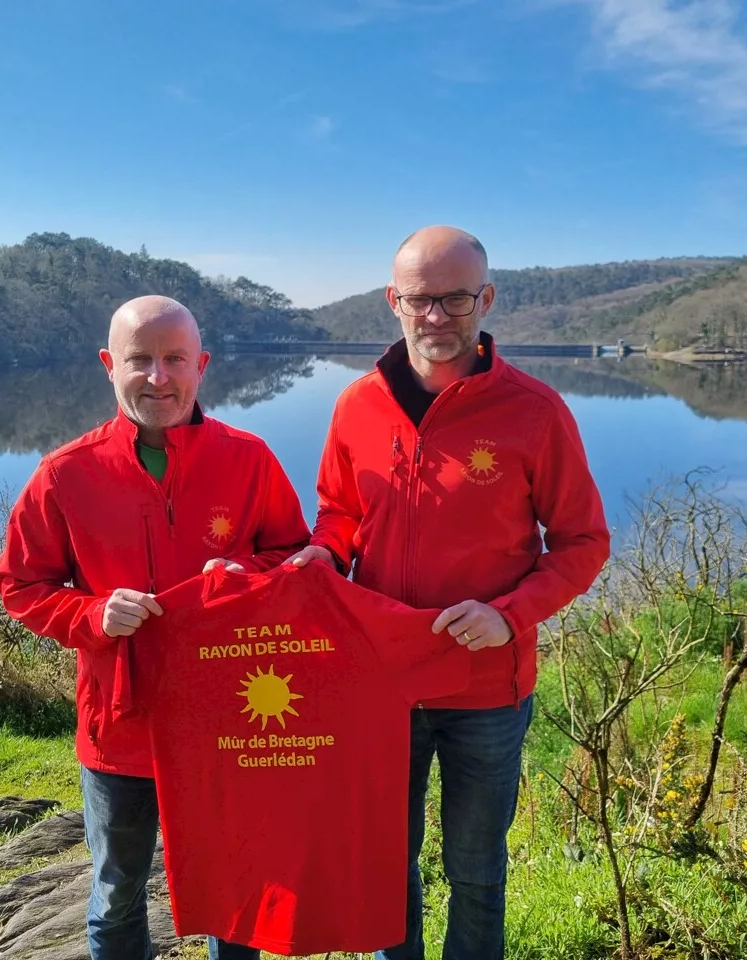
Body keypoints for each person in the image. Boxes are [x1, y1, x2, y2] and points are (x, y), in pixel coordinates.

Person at [288, 226, 611, 959]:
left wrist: (510, 616)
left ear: (486, 299)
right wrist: (322, 553)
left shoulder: (535, 411)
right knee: (384, 866)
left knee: (476, 872)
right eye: (420, 299)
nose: (437, 316)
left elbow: (584, 543)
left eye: (455, 299)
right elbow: (339, 511)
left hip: (486, 689)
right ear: (393, 302)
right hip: (382, 685)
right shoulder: (356, 406)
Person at [0, 295, 310, 960]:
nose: (158, 377)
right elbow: (20, 585)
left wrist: (244, 574)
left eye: (174, 360)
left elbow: (293, 557)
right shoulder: (64, 474)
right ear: (110, 365)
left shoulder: (248, 458)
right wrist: (90, 613)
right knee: (117, 892)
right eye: (140, 360)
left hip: (231, 718)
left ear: (202, 366)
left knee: (238, 886)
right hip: (121, 727)